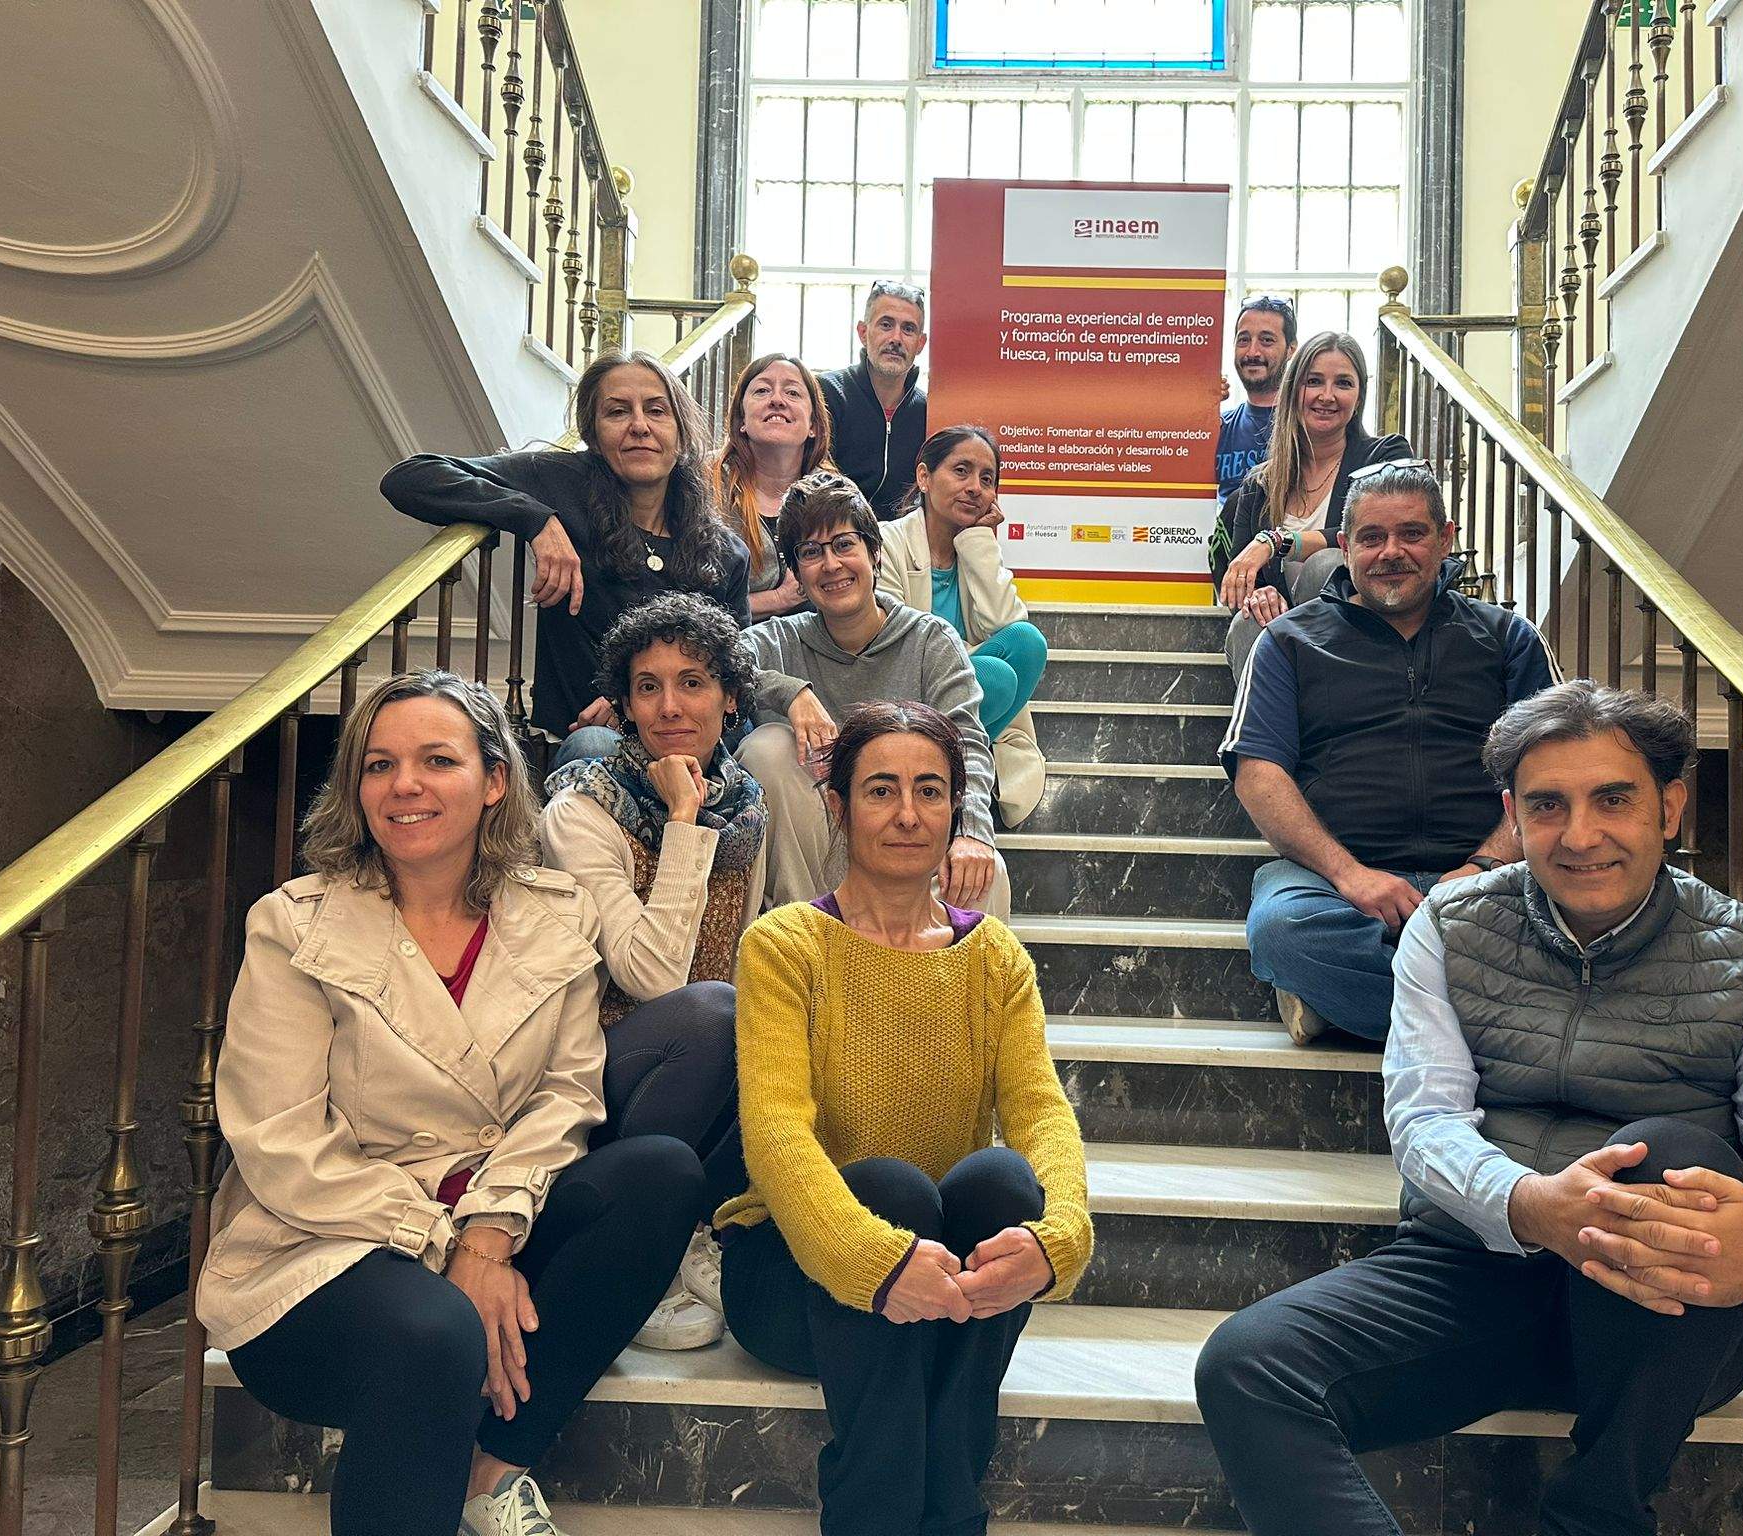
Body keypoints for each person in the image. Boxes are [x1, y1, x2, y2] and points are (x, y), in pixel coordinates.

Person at [1196, 681, 1743, 1536]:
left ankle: (1596, 1516)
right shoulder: (1451, 926)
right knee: (1247, 1365)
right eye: (1548, 805)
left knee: (1661, 1152)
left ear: (1669, 808)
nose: (1580, 835)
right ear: (1513, 814)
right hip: (1473, 1274)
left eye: (1613, 799)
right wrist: (1531, 1205)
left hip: (1662, 1320)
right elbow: (1425, 1121)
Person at [195, 671, 701, 1536]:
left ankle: (488, 1471)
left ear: (495, 779)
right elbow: (281, 1143)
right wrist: (448, 1242)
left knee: (658, 1173)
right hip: (324, 1246)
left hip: (489, 1214)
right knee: (433, 1334)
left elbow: (566, 1094)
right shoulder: (293, 924)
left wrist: (492, 1232)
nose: (405, 786)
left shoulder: (555, 911)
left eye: (437, 760)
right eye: (379, 765)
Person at [714, 699, 1093, 1536]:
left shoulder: (993, 955)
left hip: (941, 1278)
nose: (909, 813)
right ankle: (892, 1516)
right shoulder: (785, 946)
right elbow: (775, 1132)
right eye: (881, 790)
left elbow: (1041, 1112)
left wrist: (1059, 1236)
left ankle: (947, 1502)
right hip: (798, 1274)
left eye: (930, 791)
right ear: (839, 807)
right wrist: (872, 1258)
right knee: (892, 1189)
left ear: (955, 810)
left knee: (1000, 1179)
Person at [1221, 460, 1556, 1045]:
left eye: (1412, 534)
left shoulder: (1509, 638)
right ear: (1346, 547)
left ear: (1446, 539)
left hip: (1489, 875)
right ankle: (1502, 1029)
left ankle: (1359, 1006)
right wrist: (1352, 877)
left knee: (1583, 915)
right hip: (1337, 885)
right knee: (1286, 931)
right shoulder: (1286, 641)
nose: (1391, 552)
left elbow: (1554, 769)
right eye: (1372, 538)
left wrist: (1483, 867)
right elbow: (1258, 773)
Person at [540, 592, 768, 1352]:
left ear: (730, 698)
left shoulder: (743, 808)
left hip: (698, 1061)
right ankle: (647, 1244)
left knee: (772, 1018)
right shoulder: (583, 810)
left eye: (693, 681)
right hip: (593, 1065)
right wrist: (678, 824)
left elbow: (739, 948)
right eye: (648, 686)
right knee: (712, 1011)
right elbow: (650, 976)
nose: (671, 705)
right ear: (627, 704)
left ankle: (707, 1228)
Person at [381, 350, 751, 761]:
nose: (639, 427)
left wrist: (629, 703)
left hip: (693, 736)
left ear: (681, 431)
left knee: (763, 742)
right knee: (594, 747)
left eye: (656, 411)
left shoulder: (725, 551)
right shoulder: (559, 482)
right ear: (593, 434)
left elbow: (736, 663)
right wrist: (536, 519)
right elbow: (410, 478)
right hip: (595, 740)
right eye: (617, 412)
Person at [737, 469, 1012, 917]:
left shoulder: (930, 639)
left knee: (987, 872)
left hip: (906, 830)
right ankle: (804, 941)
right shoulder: (780, 640)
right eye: (811, 552)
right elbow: (715, 664)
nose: (831, 565)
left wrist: (974, 831)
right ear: (797, 574)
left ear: (875, 554)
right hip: (819, 844)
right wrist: (791, 693)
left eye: (844, 544)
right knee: (767, 746)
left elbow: (967, 742)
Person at [1211, 331, 1415, 677]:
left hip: (1366, 638)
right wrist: (1260, 596)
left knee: (1326, 564)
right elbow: (1241, 578)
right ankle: (1264, 729)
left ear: (1359, 395)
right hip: (1287, 648)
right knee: (1249, 624)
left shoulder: (1385, 457)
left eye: (1344, 383)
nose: (1327, 396)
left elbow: (1375, 534)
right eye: (1314, 381)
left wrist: (1276, 542)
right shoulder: (1258, 486)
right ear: (1293, 391)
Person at [877, 425, 1048, 826]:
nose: (975, 487)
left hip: (956, 698)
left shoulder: (977, 549)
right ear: (924, 477)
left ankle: (948, 768)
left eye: (986, 480)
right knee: (994, 678)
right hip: (901, 690)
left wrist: (980, 542)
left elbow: (1007, 625)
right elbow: (897, 642)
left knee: (1027, 643)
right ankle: (956, 766)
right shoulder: (886, 542)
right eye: (961, 471)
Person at [713, 352, 834, 620]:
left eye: (792, 393)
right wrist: (777, 600)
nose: (777, 400)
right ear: (742, 420)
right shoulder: (704, 490)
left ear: (813, 424)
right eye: (762, 390)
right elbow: (688, 598)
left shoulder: (836, 494)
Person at [817, 280, 928, 518]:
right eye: (886, 325)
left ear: (920, 343)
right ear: (863, 332)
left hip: (902, 546)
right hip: (833, 535)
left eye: (908, 329)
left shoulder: (928, 412)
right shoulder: (827, 394)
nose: (896, 338)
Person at [1215, 295, 1297, 503]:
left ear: (1291, 349)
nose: (1252, 352)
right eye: (1244, 340)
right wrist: (1200, 412)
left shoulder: (1308, 425)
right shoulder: (1220, 426)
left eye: (1266, 340)